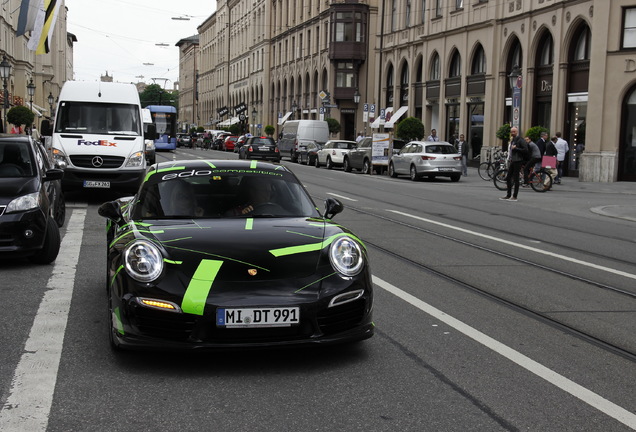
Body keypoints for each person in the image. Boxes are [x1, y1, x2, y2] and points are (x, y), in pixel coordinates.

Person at [500, 126, 527, 201]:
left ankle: (514, 196)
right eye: (511, 132)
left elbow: (525, 150)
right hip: (513, 160)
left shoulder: (520, 140)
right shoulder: (513, 140)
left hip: (518, 160)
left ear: (517, 132)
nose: (512, 133)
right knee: (508, 177)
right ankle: (508, 195)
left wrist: (516, 148)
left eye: (514, 132)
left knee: (516, 178)